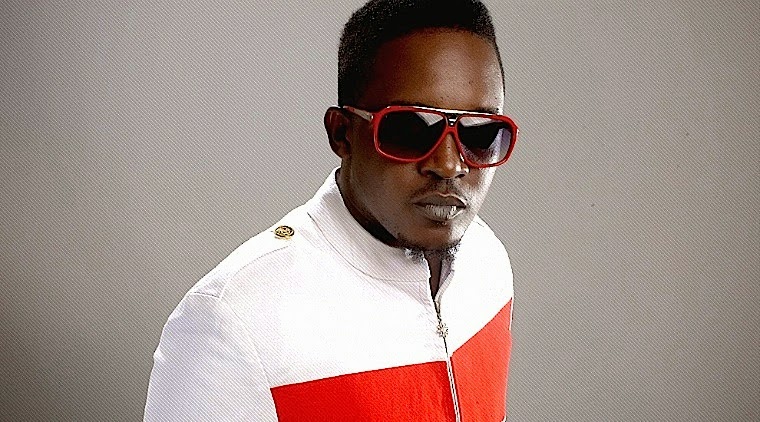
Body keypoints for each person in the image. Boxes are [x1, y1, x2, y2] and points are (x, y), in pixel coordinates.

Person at [144, 0, 519, 420]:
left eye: (481, 133)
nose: (449, 165)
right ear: (342, 133)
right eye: (410, 129)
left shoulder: (488, 262)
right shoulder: (233, 322)